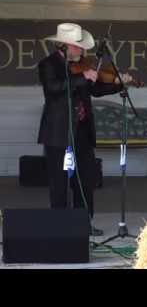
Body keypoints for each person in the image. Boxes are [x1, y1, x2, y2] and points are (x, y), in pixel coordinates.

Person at [38, 23, 132, 236]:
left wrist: (119, 84)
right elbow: (53, 88)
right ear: (64, 46)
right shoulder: (48, 64)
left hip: (82, 131)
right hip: (58, 133)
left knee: (85, 180)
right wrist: (82, 78)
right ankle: (58, 224)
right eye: (77, 47)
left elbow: (96, 89)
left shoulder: (81, 65)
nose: (82, 51)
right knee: (59, 180)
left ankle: (84, 223)